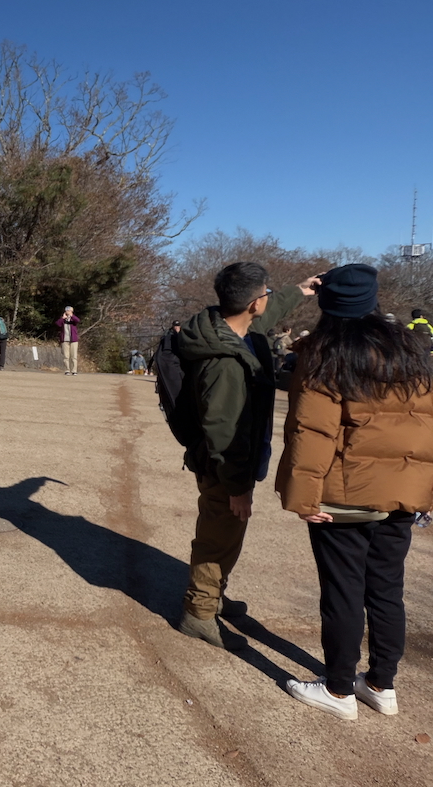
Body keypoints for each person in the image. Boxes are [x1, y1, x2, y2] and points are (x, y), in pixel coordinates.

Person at [277, 264, 433, 720]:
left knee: (343, 591)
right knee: (386, 590)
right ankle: (382, 685)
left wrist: (303, 498)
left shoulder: (325, 354)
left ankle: (339, 690)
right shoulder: (411, 350)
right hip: (402, 494)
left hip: (344, 499)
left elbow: (313, 431)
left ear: (327, 305)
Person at [174, 262, 320, 648]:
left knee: (228, 533)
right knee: (218, 535)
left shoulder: (231, 327)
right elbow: (223, 431)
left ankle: (213, 595)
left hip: (229, 464)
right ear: (253, 303)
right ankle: (198, 613)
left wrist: (299, 290)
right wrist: (238, 486)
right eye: (266, 293)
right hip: (223, 467)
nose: (269, 299)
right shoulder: (224, 361)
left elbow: (267, 312)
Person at [56, 306, 80, 375]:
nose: (69, 312)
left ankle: (74, 370)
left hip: (73, 340)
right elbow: (58, 324)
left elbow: (77, 321)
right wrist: (63, 318)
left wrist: (71, 316)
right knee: (66, 356)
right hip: (65, 340)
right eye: (67, 310)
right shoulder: (63, 319)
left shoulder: (73, 319)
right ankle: (67, 370)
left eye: (70, 311)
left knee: (74, 356)